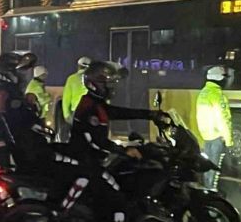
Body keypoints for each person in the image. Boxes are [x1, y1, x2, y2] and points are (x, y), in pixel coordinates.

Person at [0, 53, 123, 221]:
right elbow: (25, 124)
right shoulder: (11, 97)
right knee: (87, 170)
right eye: (21, 72)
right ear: (8, 74)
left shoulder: (5, 95)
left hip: (32, 149)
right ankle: (60, 214)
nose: (25, 76)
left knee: (76, 161)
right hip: (36, 152)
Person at [69, 61, 171, 220]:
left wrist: (150, 115)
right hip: (88, 162)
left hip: (93, 158)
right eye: (108, 84)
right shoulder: (89, 107)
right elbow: (96, 142)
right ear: (95, 84)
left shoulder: (96, 103)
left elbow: (116, 112)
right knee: (118, 196)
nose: (112, 88)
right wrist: (124, 150)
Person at [196, 65, 234, 191]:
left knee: (207, 164)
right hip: (217, 135)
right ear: (219, 79)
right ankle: (211, 191)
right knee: (215, 167)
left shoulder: (203, 93)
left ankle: (205, 188)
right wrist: (229, 141)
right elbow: (224, 119)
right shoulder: (218, 95)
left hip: (206, 134)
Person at [62, 56, 91, 124]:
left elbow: (66, 98)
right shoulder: (94, 79)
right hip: (90, 111)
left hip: (76, 111)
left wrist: (66, 115)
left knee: (77, 133)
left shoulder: (72, 79)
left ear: (79, 66)